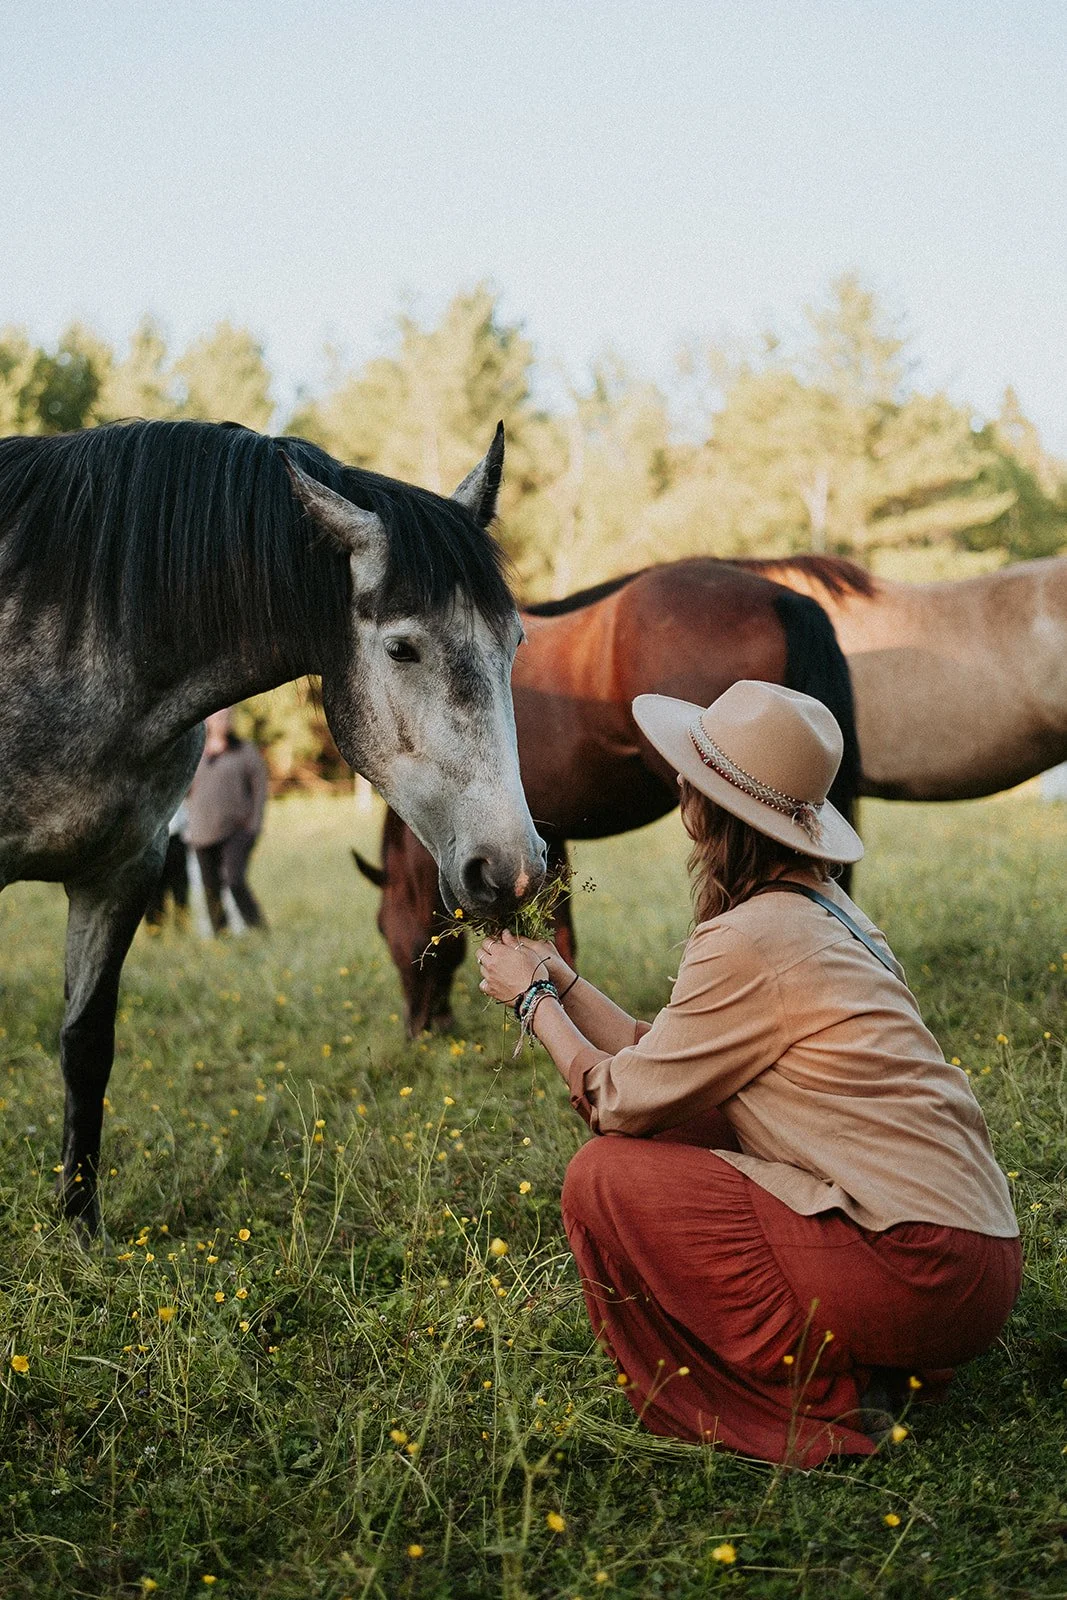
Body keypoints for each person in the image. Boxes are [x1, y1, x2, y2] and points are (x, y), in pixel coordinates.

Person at [476, 681, 1020, 1467]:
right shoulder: (825, 910)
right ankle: (873, 1356)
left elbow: (620, 1100)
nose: (678, 786)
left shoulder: (750, 937)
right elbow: (657, 1055)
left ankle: (810, 1397)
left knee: (604, 1175)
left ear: (707, 805)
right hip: (972, 1262)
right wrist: (558, 976)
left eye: (688, 774)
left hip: (921, 1267)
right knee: (692, 1114)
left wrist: (530, 1003)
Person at [184, 709, 269, 934]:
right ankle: (221, 935)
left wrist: (254, 825)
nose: (223, 721)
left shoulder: (244, 751)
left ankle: (258, 929)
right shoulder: (195, 753)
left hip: (237, 830)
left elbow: (260, 789)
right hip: (202, 831)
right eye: (217, 716)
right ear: (207, 719)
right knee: (211, 889)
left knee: (234, 879)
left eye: (227, 716)